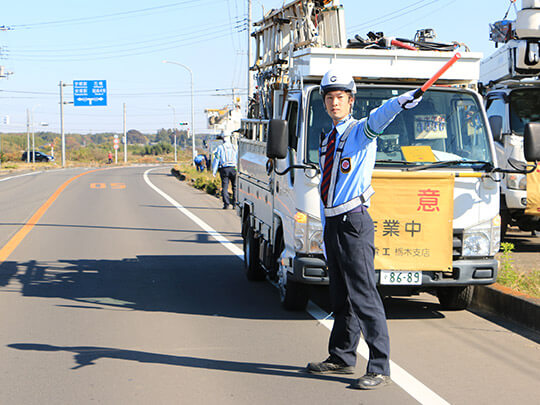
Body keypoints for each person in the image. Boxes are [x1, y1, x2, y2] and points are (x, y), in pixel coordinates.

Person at [305, 69, 422, 390]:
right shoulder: (329, 138)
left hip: (354, 222)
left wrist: (400, 101)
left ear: (350, 100)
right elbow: (328, 186)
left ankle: (380, 366)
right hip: (333, 222)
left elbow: (379, 117)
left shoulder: (359, 132)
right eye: (329, 97)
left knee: (365, 296)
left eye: (340, 97)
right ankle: (342, 356)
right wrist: (326, 228)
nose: (334, 103)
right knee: (340, 294)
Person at [212, 134, 238, 209]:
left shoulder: (220, 148)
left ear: (223, 139)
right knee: (235, 187)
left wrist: (214, 170)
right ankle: (235, 204)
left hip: (224, 169)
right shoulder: (235, 147)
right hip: (234, 168)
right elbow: (238, 157)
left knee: (225, 187)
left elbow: (216, 159)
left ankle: (226, 204)